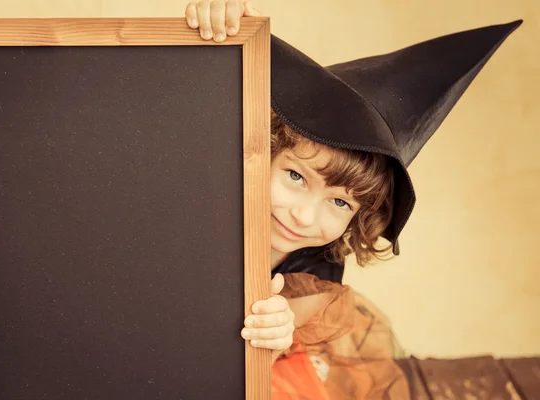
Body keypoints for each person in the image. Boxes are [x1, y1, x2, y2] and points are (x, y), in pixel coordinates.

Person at [184, 1, 522, 398]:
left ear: (362, 216)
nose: (303, 215)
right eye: (295, 176)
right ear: (262, 153)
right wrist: (215, 30)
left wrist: (272, 342)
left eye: (340, 203)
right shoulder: (198, 203)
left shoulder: (317, 274)